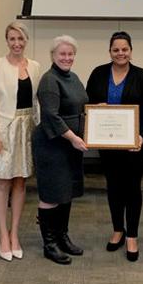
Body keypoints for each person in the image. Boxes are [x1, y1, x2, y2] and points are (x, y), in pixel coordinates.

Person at [86, 31, 143, 262]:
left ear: (131, 51)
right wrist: (97, 106)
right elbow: (87, 104)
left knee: (132, 187)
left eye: (125, 49)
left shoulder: (142, 76)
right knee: (113, 186)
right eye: (116, 49)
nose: (120, 53)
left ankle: (132, 235)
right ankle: (118, 230)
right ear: (110, 51)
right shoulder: (98, 73)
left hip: (134, 144)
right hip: (107, 143)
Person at [0, 21, 40, 261]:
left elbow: (36, 103)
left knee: (20, 183)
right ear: (7, 40)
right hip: (4, 130)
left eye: (21, 39)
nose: (17, 43)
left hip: (27, 129)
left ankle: (15, 234)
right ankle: (2, 235)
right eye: (12, 39)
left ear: (26, 41)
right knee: (2, 183)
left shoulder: (34, 66)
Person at [32, 35, 88, 265]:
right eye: (62, 54)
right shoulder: (49, 80)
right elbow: (50, 116)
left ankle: (62, 237)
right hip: (52, 145)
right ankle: (50, 244)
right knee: (51, 195)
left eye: (70, 54)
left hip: (70, 146)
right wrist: (74, 137)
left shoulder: (73, 77)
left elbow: (82, 106)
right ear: (53, 56)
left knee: (66, 193)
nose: (67, 58)